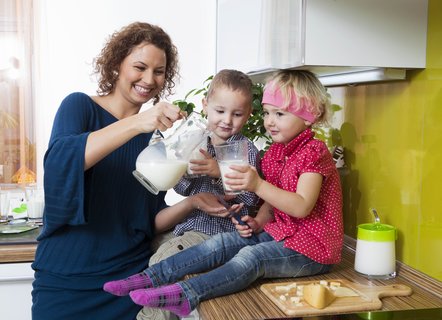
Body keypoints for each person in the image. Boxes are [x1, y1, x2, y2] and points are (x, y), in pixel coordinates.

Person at [102, 69, 343, 317]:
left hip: (313, 250)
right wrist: (259, 221)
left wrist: (249, 182)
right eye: (268, 112)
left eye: (279, 114)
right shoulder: (275, 154)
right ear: (206, 106)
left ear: (309, 116)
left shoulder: (313, 152)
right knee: (222, 244)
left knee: (252, 257)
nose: (269, 121)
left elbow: (300, 206)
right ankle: (148, 278)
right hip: (278, 235)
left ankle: (185, 294)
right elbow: (271, 203)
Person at [31, 22, 227, 320]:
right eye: (140, 66)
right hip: (65, 281)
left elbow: (147, 220)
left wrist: (192, 203)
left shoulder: (155, 141)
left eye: (158, 72)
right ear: (117, 64)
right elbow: (60, 164)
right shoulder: (80, 107)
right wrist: (139, 122)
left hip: (128, 283)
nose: (149, 79)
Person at [135, 69, 261, 320]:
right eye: (220, 111)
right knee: (145, 247)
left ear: (248, 115)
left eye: (237, 114)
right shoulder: (195, 140)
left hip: (217, 233)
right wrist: (185, 169)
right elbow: (182, 189)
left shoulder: (245, 150)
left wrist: (218, 172)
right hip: (190, 225)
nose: (227, 120)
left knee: (162, 262)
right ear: (205, 106)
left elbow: (251, 199)